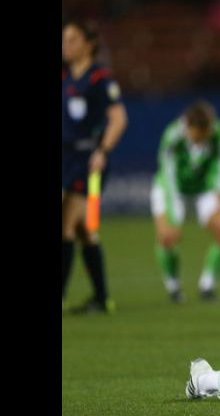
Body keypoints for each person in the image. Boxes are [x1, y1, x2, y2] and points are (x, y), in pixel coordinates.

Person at [62, 20, 128, 314]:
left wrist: (103, 150)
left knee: (65, 224)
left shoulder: (100, 78)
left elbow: (119, 118)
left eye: (72, 40)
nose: (66, 45)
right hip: (65, 157)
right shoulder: (65, 76)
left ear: (88, 44)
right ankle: (102, 299)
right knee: (84, 230)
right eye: (64, 40)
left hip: (88, 161)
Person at [151, 100, 220, 302]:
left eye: (204, 136)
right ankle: (173, 287)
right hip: (173, 190)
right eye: (197, 137)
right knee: (166, 237)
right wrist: (172, 218)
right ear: (188, 127)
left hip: (203, 189)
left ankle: (207, 286)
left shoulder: (218, 132)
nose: (201, 141)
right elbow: (169, 178)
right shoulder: (172, 136)